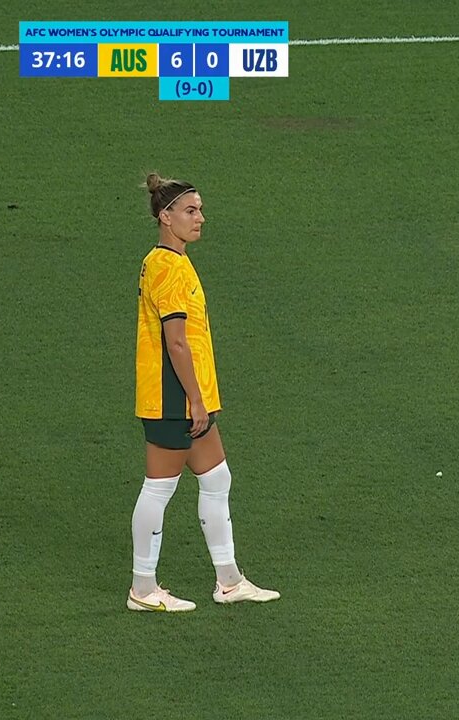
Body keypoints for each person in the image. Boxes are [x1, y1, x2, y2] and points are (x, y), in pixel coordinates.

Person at [128, 173, 280, 610]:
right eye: (191, 211)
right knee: (159, 488)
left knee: (216, 478)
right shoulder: (167, 267)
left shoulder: (168, 261)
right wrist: (195, 399)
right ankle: (142, 588)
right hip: (173, 397)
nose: (201, 219)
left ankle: (229, 581)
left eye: (200, 210)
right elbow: (175, 341)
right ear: (165, 216)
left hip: (184, 395)